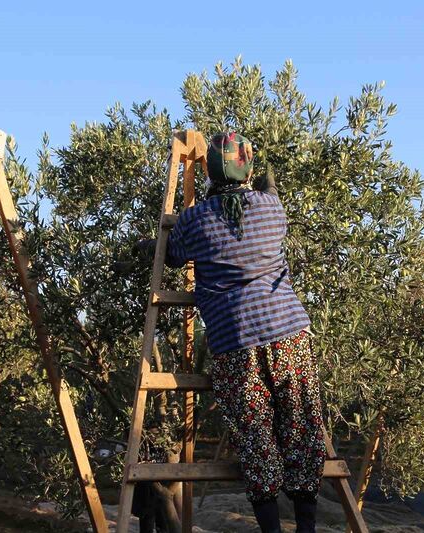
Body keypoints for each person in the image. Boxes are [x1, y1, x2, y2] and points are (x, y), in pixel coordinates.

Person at [164, 133, 326, 533]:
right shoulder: (272, 208)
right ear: (248, 169)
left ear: (210, 172)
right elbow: (261, 209)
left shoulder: (193, 220)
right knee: (301, 423)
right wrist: (267, 188)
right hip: (288, 333)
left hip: (235, 341)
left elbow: (171, 257)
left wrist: (154, 240)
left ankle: (271, 530)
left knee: (256, 433)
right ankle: (305, 527)